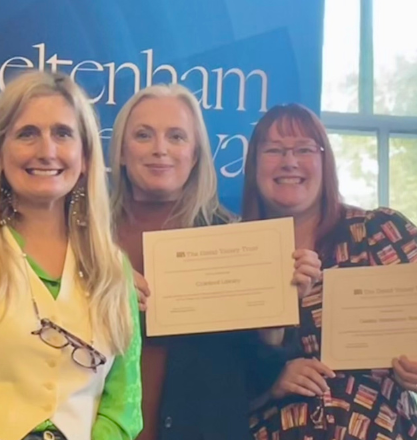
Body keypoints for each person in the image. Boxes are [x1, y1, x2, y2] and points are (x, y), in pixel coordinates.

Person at [0, 70, 143, 440]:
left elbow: (124, 408)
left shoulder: (114, 268)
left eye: (62, 133)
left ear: (85, 156)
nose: (46, 151)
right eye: (27, 134)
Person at [242, 104, 417, 440]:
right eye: (274, 150)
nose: (289, 161)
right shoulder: (233, 252)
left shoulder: (377, 232)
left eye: (304, 149)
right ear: (254, 165)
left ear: (325, 162)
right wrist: (270, 380)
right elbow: (212, 374)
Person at [107, 84, 306, 440]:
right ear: (121, 151)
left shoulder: (234, 240)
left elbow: (257, 379)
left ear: (196, 153)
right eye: (143, 135)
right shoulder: (84, 237)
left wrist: (275, 311)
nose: (160, 149)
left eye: (176, 137)